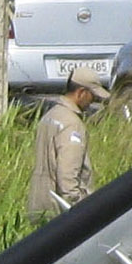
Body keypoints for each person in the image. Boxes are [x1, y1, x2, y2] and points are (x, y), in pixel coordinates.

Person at [27, 64, 105, 221]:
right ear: (81, 93)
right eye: (93, 96)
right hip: (59, 211)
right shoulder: (72, 124)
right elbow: (67, 174)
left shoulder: (51, 115)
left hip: (39, 204)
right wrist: (78, 209)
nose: (93, 101)